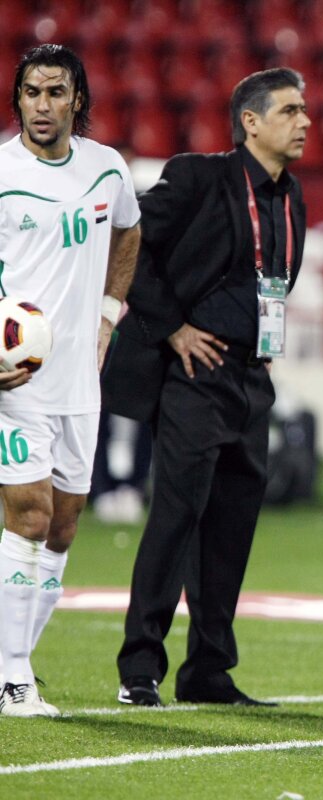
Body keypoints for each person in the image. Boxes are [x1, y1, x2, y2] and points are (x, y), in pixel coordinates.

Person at [101, 68, 310, 707]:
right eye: (290, 111)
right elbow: (130, 245)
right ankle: (140, 668)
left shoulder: (291, 196)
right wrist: (173, 328)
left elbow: (273, 282)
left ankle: (208, 671)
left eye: (303, 110)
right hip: (194, 375)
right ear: (251, 121)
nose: (304, 122)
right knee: (176, 517)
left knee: (231, 527)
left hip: (252, 377)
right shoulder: (198, 177)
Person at [0, 44, 141, 717]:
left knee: (62, 525)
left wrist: (110, 313)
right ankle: (12, 676)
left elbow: (129, 233)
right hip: (14, 380)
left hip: (81, 380)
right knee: (27, 516)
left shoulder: (106, 168)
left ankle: (13, 661)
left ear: (77, 100)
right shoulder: (2, 171)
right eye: (31, 92)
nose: (42, 105)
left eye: (56, 92)